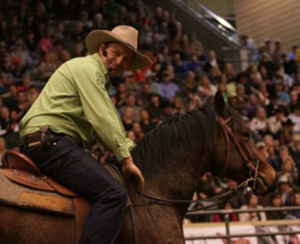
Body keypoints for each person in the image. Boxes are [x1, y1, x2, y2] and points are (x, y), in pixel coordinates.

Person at [19, 25, 151, 244]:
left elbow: (107, 118)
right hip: (52, 142)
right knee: (114, 195)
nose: (119, 62)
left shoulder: (89, 74)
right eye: (116, 54)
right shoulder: (89, 69)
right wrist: (126, 159)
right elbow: (102, 117)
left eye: (126, 60)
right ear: (102, 49)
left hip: (46, 141)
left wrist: (129, 148)